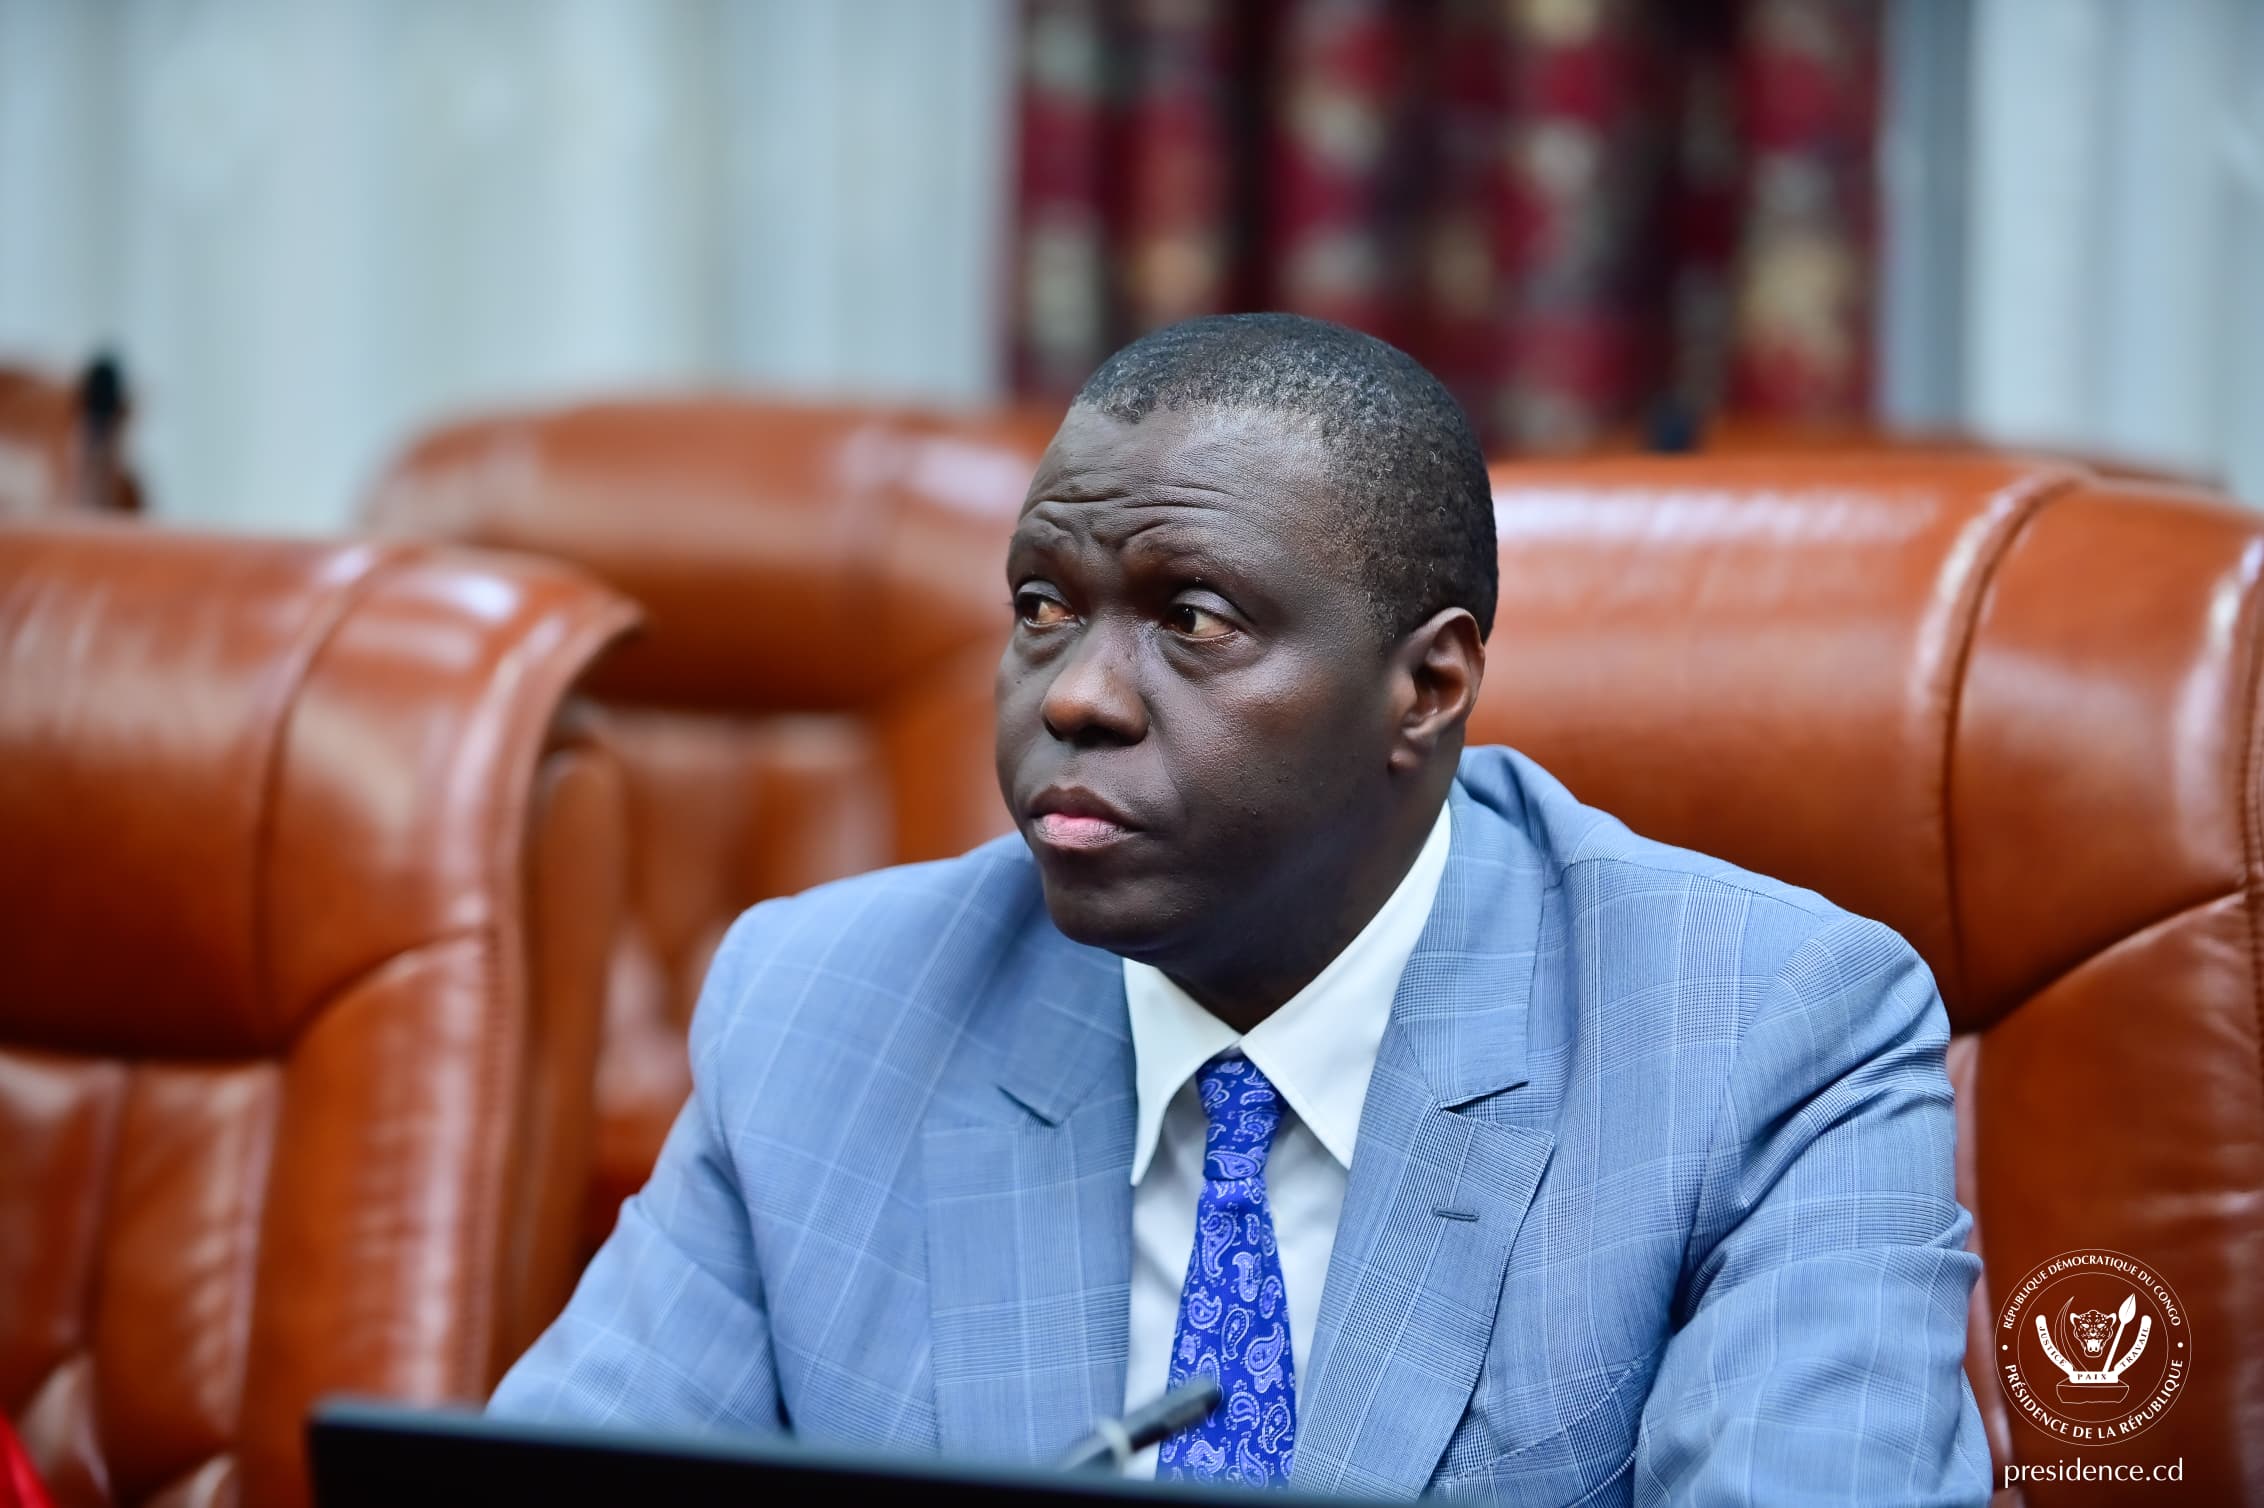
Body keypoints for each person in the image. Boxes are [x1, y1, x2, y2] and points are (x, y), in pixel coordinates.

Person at [491, 314, 1990, 1503]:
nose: (1074, 695)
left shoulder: (1765, 1035)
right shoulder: (828, 1007)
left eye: (1193, 619)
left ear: (1428, 686)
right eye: (1042, 608)